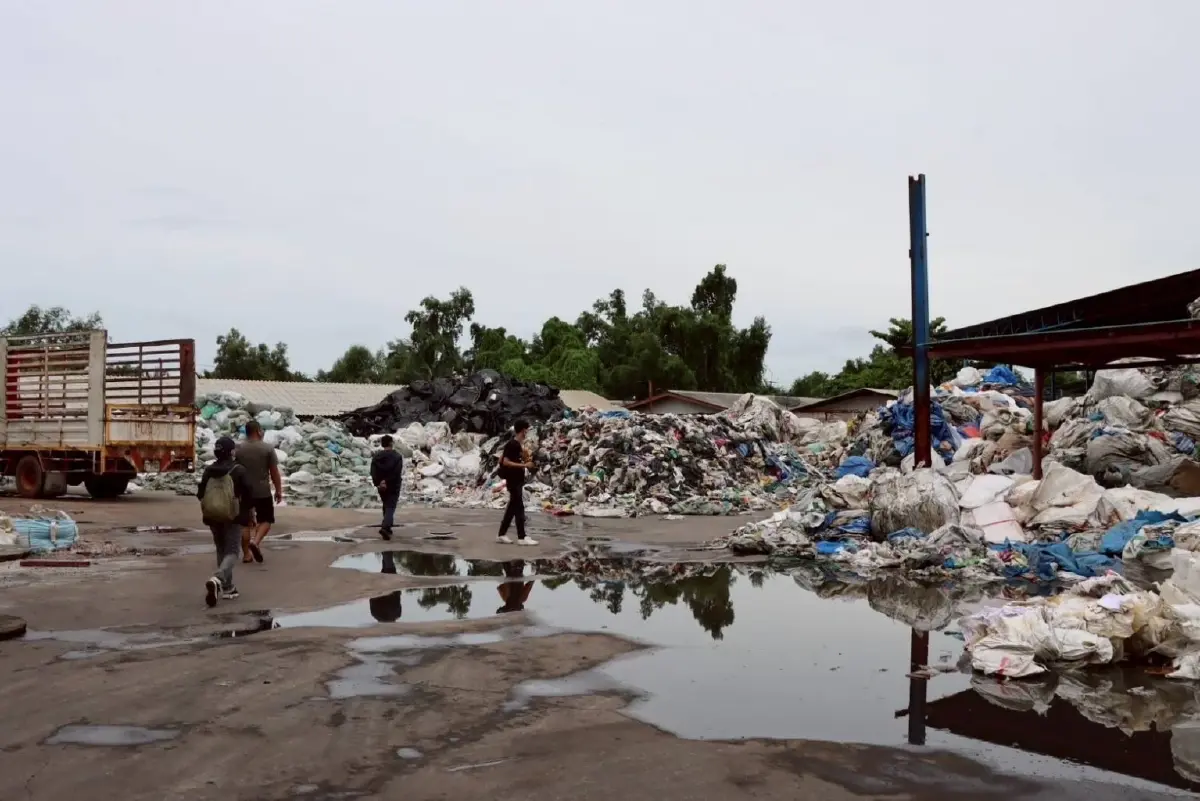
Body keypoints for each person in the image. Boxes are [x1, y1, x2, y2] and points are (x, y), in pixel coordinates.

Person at [197, 436, 253, 607]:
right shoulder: (238, 470)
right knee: (233, 551)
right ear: (231, 451)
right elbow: (249, 494)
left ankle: (227, 588)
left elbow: (200, 493)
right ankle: (218, 578)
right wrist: (249, 514)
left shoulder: (209, 470)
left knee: (221, 549)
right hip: (232, 516)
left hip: (213, 515)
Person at [235, 420, 283, 563]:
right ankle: (255, 542)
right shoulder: (267, 449)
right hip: (262, 491)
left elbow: (235, 471)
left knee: (244, 523)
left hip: (244, 491)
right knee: (266, 520)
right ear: (258, 431)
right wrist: (278, 491)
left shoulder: (239, 449)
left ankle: (246, 555)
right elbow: (274, 472)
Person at [496, 420, 537, 546]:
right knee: (519, 508)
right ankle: (521, 537)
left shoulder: (517, 445)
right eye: (527, 430)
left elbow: (503, 459)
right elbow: (505, 462)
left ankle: (502, 535)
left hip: (517, 480)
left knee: (512, 509)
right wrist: (524, 465)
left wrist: (525, 459)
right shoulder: (512, 444)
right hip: (513, 481)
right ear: (523, 430)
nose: (527, 433)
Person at [370, 435, 404, 540]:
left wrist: (379, 483)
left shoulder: (376, 456)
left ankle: (388, 527)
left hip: (381, 486)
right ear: (391, 443)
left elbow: (373, 472)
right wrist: (387, 481)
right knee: (390, 507)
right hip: (393, 485)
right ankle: (385, 527)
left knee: (386, 504)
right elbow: (397, 472)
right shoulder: (397, 456)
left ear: (382, 444)